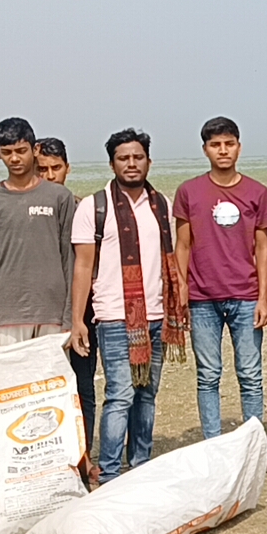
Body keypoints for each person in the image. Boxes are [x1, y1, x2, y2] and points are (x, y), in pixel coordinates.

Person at [69, 129, 185, 484]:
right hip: (115, 317)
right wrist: (78, 320)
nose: (131, 164)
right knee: (119, 395)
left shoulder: (161, 204)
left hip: (156, 315)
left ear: (149, 161)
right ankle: (109, 473)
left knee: (147, 394)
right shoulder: (94, 207)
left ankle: (140, 464)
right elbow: (83, 267)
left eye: (138, 157)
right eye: (124, 158)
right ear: (112, 163)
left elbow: (173, 259)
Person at [174, 117, 267, 445]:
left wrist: (264, 298)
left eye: (229, 144)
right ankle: (213, 444)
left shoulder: (257, 192)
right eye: (216, 145)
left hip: (246, 295)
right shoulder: (189, 191)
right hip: (203, 298)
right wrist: (182, 287)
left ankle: (253, 443)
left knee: (250, 374)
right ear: (205, 150)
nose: (223, 150)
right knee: (208, 375)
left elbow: (262, 247)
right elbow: (183, 244)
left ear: (239, 147)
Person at [0, 118, 76, 349]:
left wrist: (69, 319)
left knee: (52, 384)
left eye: (21, 151)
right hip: (6, 315)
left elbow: (69, 260)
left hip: (53, 314)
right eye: (7, 152)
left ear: (35, 149)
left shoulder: (59, 197)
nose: (15, 158)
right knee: (12, 383)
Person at [36, 136, 101, 479]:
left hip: (83, 314)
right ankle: (52, 462)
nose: (49, 175)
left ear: (67, 168)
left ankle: (84, 456)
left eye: (55, 168)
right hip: (42, 314)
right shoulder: (30, 211)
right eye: (42, 169)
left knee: (83, 386)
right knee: (45, 390)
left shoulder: (83, 209)